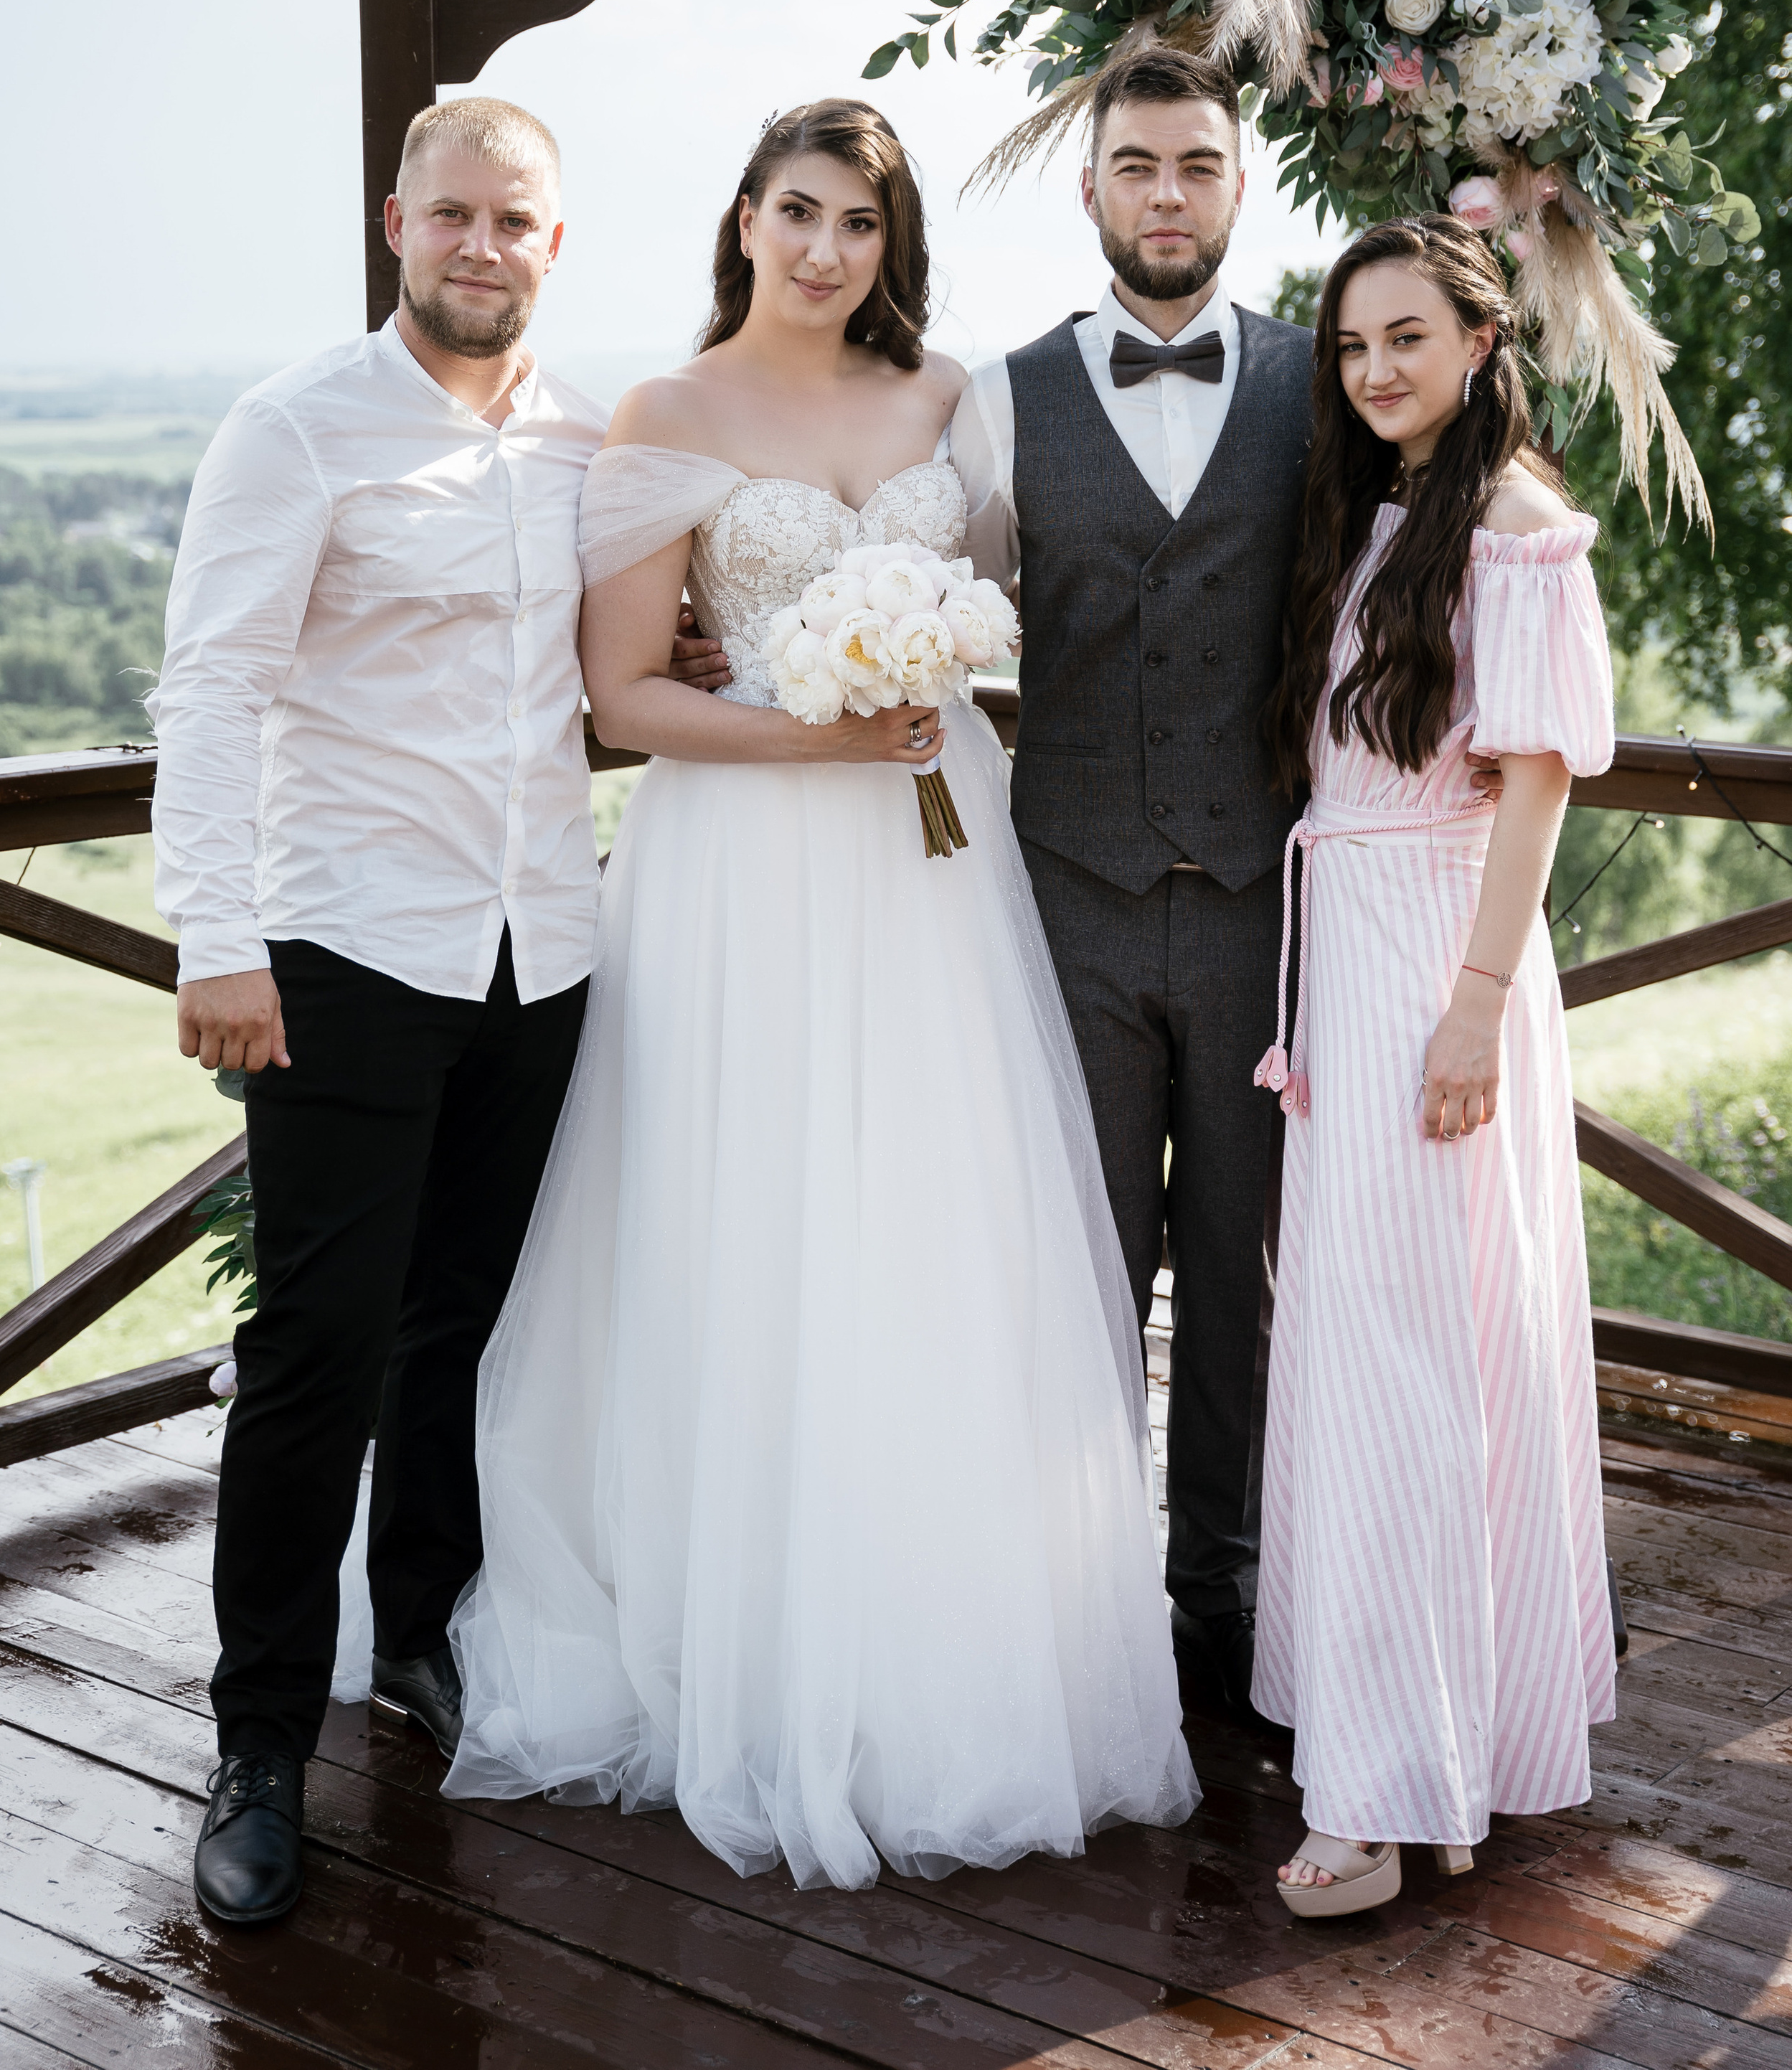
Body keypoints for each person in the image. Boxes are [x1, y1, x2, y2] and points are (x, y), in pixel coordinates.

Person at [442, 97, 1198, 1888]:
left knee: (933, 1228)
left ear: (889, 243)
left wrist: (929, 670)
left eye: (857, 223)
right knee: (754, 1224)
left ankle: (941, 1636)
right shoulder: (668, 414)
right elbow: (623, 694)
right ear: (742, 216)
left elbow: (1006, 597)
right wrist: (809, 723)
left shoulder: (948, 404)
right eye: (796, 212)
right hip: (748, 875)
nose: (822, 250)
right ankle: (746, 1643)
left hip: (936, 875)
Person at [152, 95, 702, 1928]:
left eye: (515, 220)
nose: (481, 245)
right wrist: (209, 940)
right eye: (451, 213)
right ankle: (253, 1744)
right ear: (397, 222)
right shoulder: (297, 426)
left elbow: (609, 679)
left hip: (539, 955)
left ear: (559, 243)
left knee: (461, 1330)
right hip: (342, 957)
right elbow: (212, 690)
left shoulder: (586, 441)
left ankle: (418, 1646)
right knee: (317, 1355)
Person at [1252, 215, 1618, 1919]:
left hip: (1436, 956)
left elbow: (1535, 777)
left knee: (1413, 1355)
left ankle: (1386, 1792)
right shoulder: (1388, 511)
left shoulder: (1520, 528)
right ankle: (1414, 1727)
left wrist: (1472, 999)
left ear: (1479, 341)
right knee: (1374, 1343)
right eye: (1349, 346)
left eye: (1407, 336)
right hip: (1348, 943)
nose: (1376, 369)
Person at [951, 46, 1311, 1720]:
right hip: (1065, 899)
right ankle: (1072, 1605)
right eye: (1135, 168)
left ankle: (1217, 1605)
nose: (1166, 196)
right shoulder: (1000, 398)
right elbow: (908, 597)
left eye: (1196, 166)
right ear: (1088, 189)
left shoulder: (1325, 385)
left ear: (1239, 188)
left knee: (1241, 1271)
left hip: (1262, 903)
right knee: (1075, 1261)